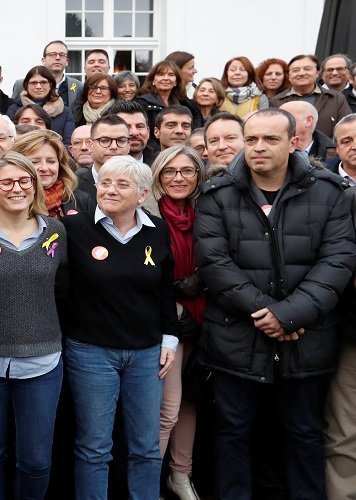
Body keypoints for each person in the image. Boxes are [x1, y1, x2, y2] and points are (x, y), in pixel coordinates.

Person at [194, 108, 356, 499]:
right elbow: (216, 265)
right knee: (232, 435)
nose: (258, 148)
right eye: (251, 140)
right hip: (236, 339)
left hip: (307, 340)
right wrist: (270, 314)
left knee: (303, 434)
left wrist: (289, 314)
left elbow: (337, 261)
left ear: (294, 142)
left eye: (270, 139)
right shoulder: (216, 194)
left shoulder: (330, 192)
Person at [61, 155, 177, 500]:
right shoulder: (74, 229)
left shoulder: (158, 229)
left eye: (122, 184)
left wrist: (170, 339)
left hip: (146, 353)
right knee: (95, 445)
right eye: (106, 182)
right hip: (90, 352)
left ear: (142, 195)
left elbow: (165, 287)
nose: (110, 189)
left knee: (145, 444)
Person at [0, 151, 67, 499]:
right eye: (6, 182)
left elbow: (64, 288)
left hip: (42, 361)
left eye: (25, 181)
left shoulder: (55, 232)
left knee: (37, 460)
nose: (16, 188)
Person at [148, 146, 207, 500]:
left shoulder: (207, 212)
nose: (178, 179)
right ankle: (147, 480)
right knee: (167, 409)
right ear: (157, 176)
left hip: (205, 317)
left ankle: (180, 475)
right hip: (166, 324)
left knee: (190, 403)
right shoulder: (147, 214)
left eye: (187, 171)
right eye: (170, 171)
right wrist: (175, 312)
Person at [326, 114, 356, 500]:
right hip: (351, 327)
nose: (354, 145)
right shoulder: (336, 194)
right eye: (346, 140)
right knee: (345, 429)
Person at [11, 128, 91, 217]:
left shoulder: (81, 200)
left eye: (51, 161)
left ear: (60, 165)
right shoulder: (9, 201)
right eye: (34, 162)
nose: (44, 168)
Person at [270, 54, 351, 137]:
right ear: (289, 76)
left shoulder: (336, 98)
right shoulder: (277, 101)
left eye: (307, 69)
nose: (301, 73)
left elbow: (348, 128)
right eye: (295, 70)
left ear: (317, 73)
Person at [135, 60, 201, 146]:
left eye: (171, 75)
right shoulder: (142, 104)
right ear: (153, 80)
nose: (166, 78)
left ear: (176, 81)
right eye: (161, 74)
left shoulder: (186, 104)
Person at [7, 65, 74, 146]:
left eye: (43, 82)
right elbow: (9, 138)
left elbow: (68, 142)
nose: (38, 87)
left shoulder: (64, 111)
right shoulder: (14, 109)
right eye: (33, 83)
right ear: (26, 85)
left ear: (51, 85)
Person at [75, 114, 131, 198]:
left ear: (129, 145)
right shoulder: (74, 184)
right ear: (90, 145)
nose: (114, 146)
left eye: (121, 140)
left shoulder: (141, 182)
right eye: (105, 140)